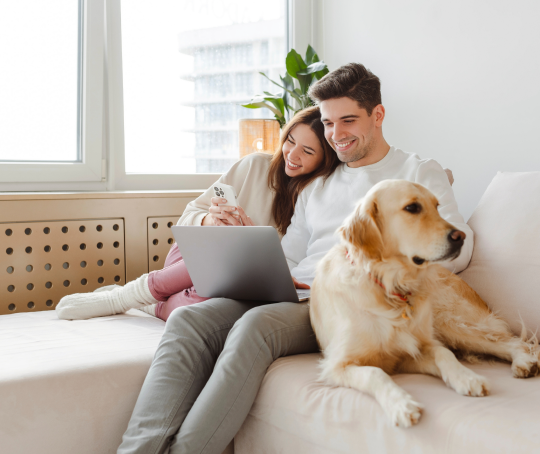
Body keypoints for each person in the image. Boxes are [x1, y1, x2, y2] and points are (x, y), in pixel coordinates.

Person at [115, 63, 473, 454]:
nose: (336, 134)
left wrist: (377, 266)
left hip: (353, 302)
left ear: (378, 115)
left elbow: (458, 247)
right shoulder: (318, 185)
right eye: (328, 122)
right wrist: (257, 262)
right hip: (296, 290)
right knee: (190, 317)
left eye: (348, 120)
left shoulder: (417, 172)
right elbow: (291, 255)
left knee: (257, 326)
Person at [55, 106, 339, 322]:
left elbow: (285, 267)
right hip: (189, 258)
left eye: (307, 151)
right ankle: (122, 297)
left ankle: (150, 304)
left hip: (232, 282)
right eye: (290, 140)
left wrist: (250, 241)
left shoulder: (317, 195)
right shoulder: (253, 166)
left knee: (203, 310)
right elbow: (189, 216)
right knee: (221, 250)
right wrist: (209, 220)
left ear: (325, 158)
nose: (292, 154)